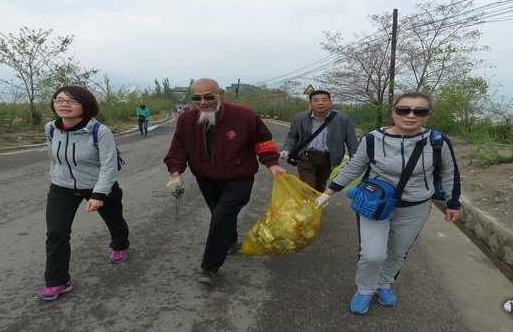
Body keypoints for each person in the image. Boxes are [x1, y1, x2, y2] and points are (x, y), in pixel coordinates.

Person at [314, 92, 462, 315]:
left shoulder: (437, 142)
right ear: (393, 112)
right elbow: (354, 166)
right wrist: (328, 193)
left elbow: (450, 172)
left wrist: (453, 203)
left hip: (415, 207)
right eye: (404, 110)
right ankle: (364, 289)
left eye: (419, 111)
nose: (410, 115)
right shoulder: (373, 139)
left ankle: (384, 284)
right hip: (375, 205)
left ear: (427, 115)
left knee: (396, 252)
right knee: (372, 253)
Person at [164, 78, 287, 285]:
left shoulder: (244, 115)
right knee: (219, 215)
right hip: (206, 179)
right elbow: (179, 148)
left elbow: (263, 141)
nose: (203, 102)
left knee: (221, 216)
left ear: (220, 93)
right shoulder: (186, 120)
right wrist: (175, 173)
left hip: (238, 179)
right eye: (196, 98)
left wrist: (272, 164)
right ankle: (229, 240)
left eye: (208, 96)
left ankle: (210, 267)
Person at [36, 86, 130, 301]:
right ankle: (58, 281)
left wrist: (99, 194)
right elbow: (54, 157)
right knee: (56, 233)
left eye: (72, 101)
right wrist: (56, 176)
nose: (64, 104)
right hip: (62, 187)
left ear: (86, 105)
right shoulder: (50, 128)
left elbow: (109, 166)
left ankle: (120, 245)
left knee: (114, 221)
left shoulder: (100, 131)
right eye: (59, 100)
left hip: (98, 185)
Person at [279, 90, 358, 192]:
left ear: (330, 102)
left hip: (329, 158)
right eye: (315, 100)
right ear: (310, 103)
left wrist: (355, 161)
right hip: (305, 156)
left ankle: (316, 206)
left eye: (324, 100)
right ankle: (307, 205)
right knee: (307, 186)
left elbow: (351, 142)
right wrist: (286, 150)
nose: (320, 103)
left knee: (320, 185)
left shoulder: (342, 119)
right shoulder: (299, 118)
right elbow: (292, 136)